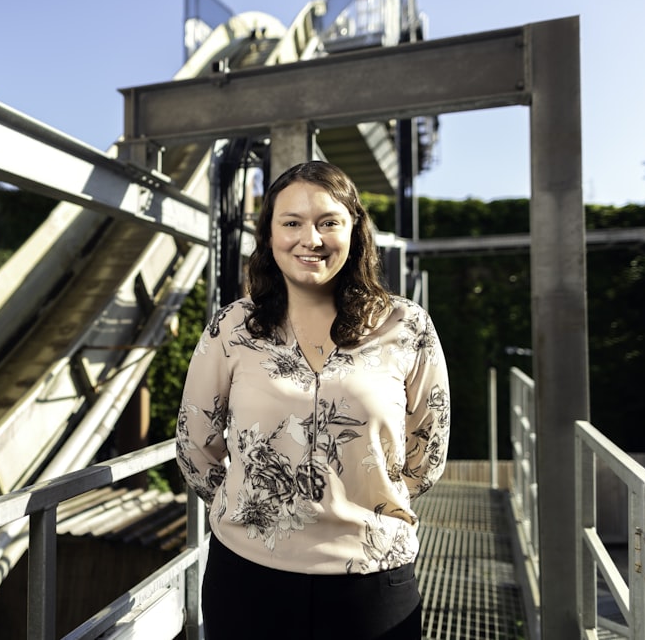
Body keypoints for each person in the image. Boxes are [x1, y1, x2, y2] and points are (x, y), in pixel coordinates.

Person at [175, 161, 450, 639]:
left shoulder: (407, 326)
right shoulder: (232, 328)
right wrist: (254, 509)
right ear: (269, 235)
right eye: (292, 223)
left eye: (328, 222)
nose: (311, 239)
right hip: (248, 579)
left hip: (372, 581)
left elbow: (428, 450)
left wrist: (365, 508)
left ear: (355, 231)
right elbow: (195, 443)